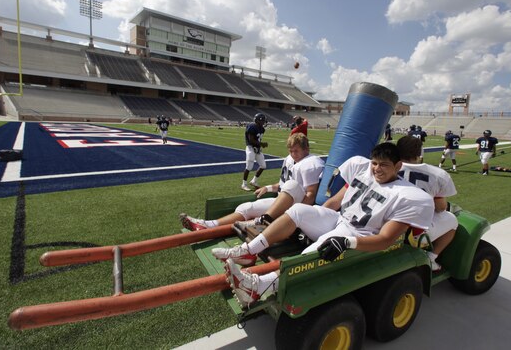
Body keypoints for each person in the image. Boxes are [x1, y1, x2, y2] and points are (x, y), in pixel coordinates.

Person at [214, 142, 434, 307]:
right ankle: (246, 252)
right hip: (340, 219)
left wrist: (347, 241)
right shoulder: (362, 169)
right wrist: (314, 217)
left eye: (384, 165)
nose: (376, 169)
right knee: (299, 210)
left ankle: (258, 287)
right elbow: (336, 201)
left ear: (398, 165)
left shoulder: (408, 195)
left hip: (360, 235)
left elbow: (386, 240)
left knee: (323, 242)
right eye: (375, 163)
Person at [180, 133, 324, 232]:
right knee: (246, 207)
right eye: (291, 151)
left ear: (307, 149)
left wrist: (293, 215)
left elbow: (310, 194)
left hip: (296, 206)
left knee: (290, 186)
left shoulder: (311, 163)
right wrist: (267, 188)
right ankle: (208, 225)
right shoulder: (291, 159)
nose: (293, 154)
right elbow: (283, 184)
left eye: (296, 151)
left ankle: (263, 221)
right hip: (283, 200)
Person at [397, 136, 459, 271]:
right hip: (413, 231)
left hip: (384, 222)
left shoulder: (383, 168)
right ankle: (431, 257)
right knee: (452, 219)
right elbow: (441, 207)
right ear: (419, 153)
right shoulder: (438, 174)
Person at [242, 113, 268, 191]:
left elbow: (258, 139)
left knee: (263, 166)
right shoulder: (252, 126)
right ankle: (244, 184)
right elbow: (251, 140)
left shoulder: (262, 129)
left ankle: (254, 181)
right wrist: (262, 144)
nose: (264, 122)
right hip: (250, 147)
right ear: (258, 120)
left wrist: (259, 146)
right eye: (263, 120)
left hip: (257, 148)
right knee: (249, 166)